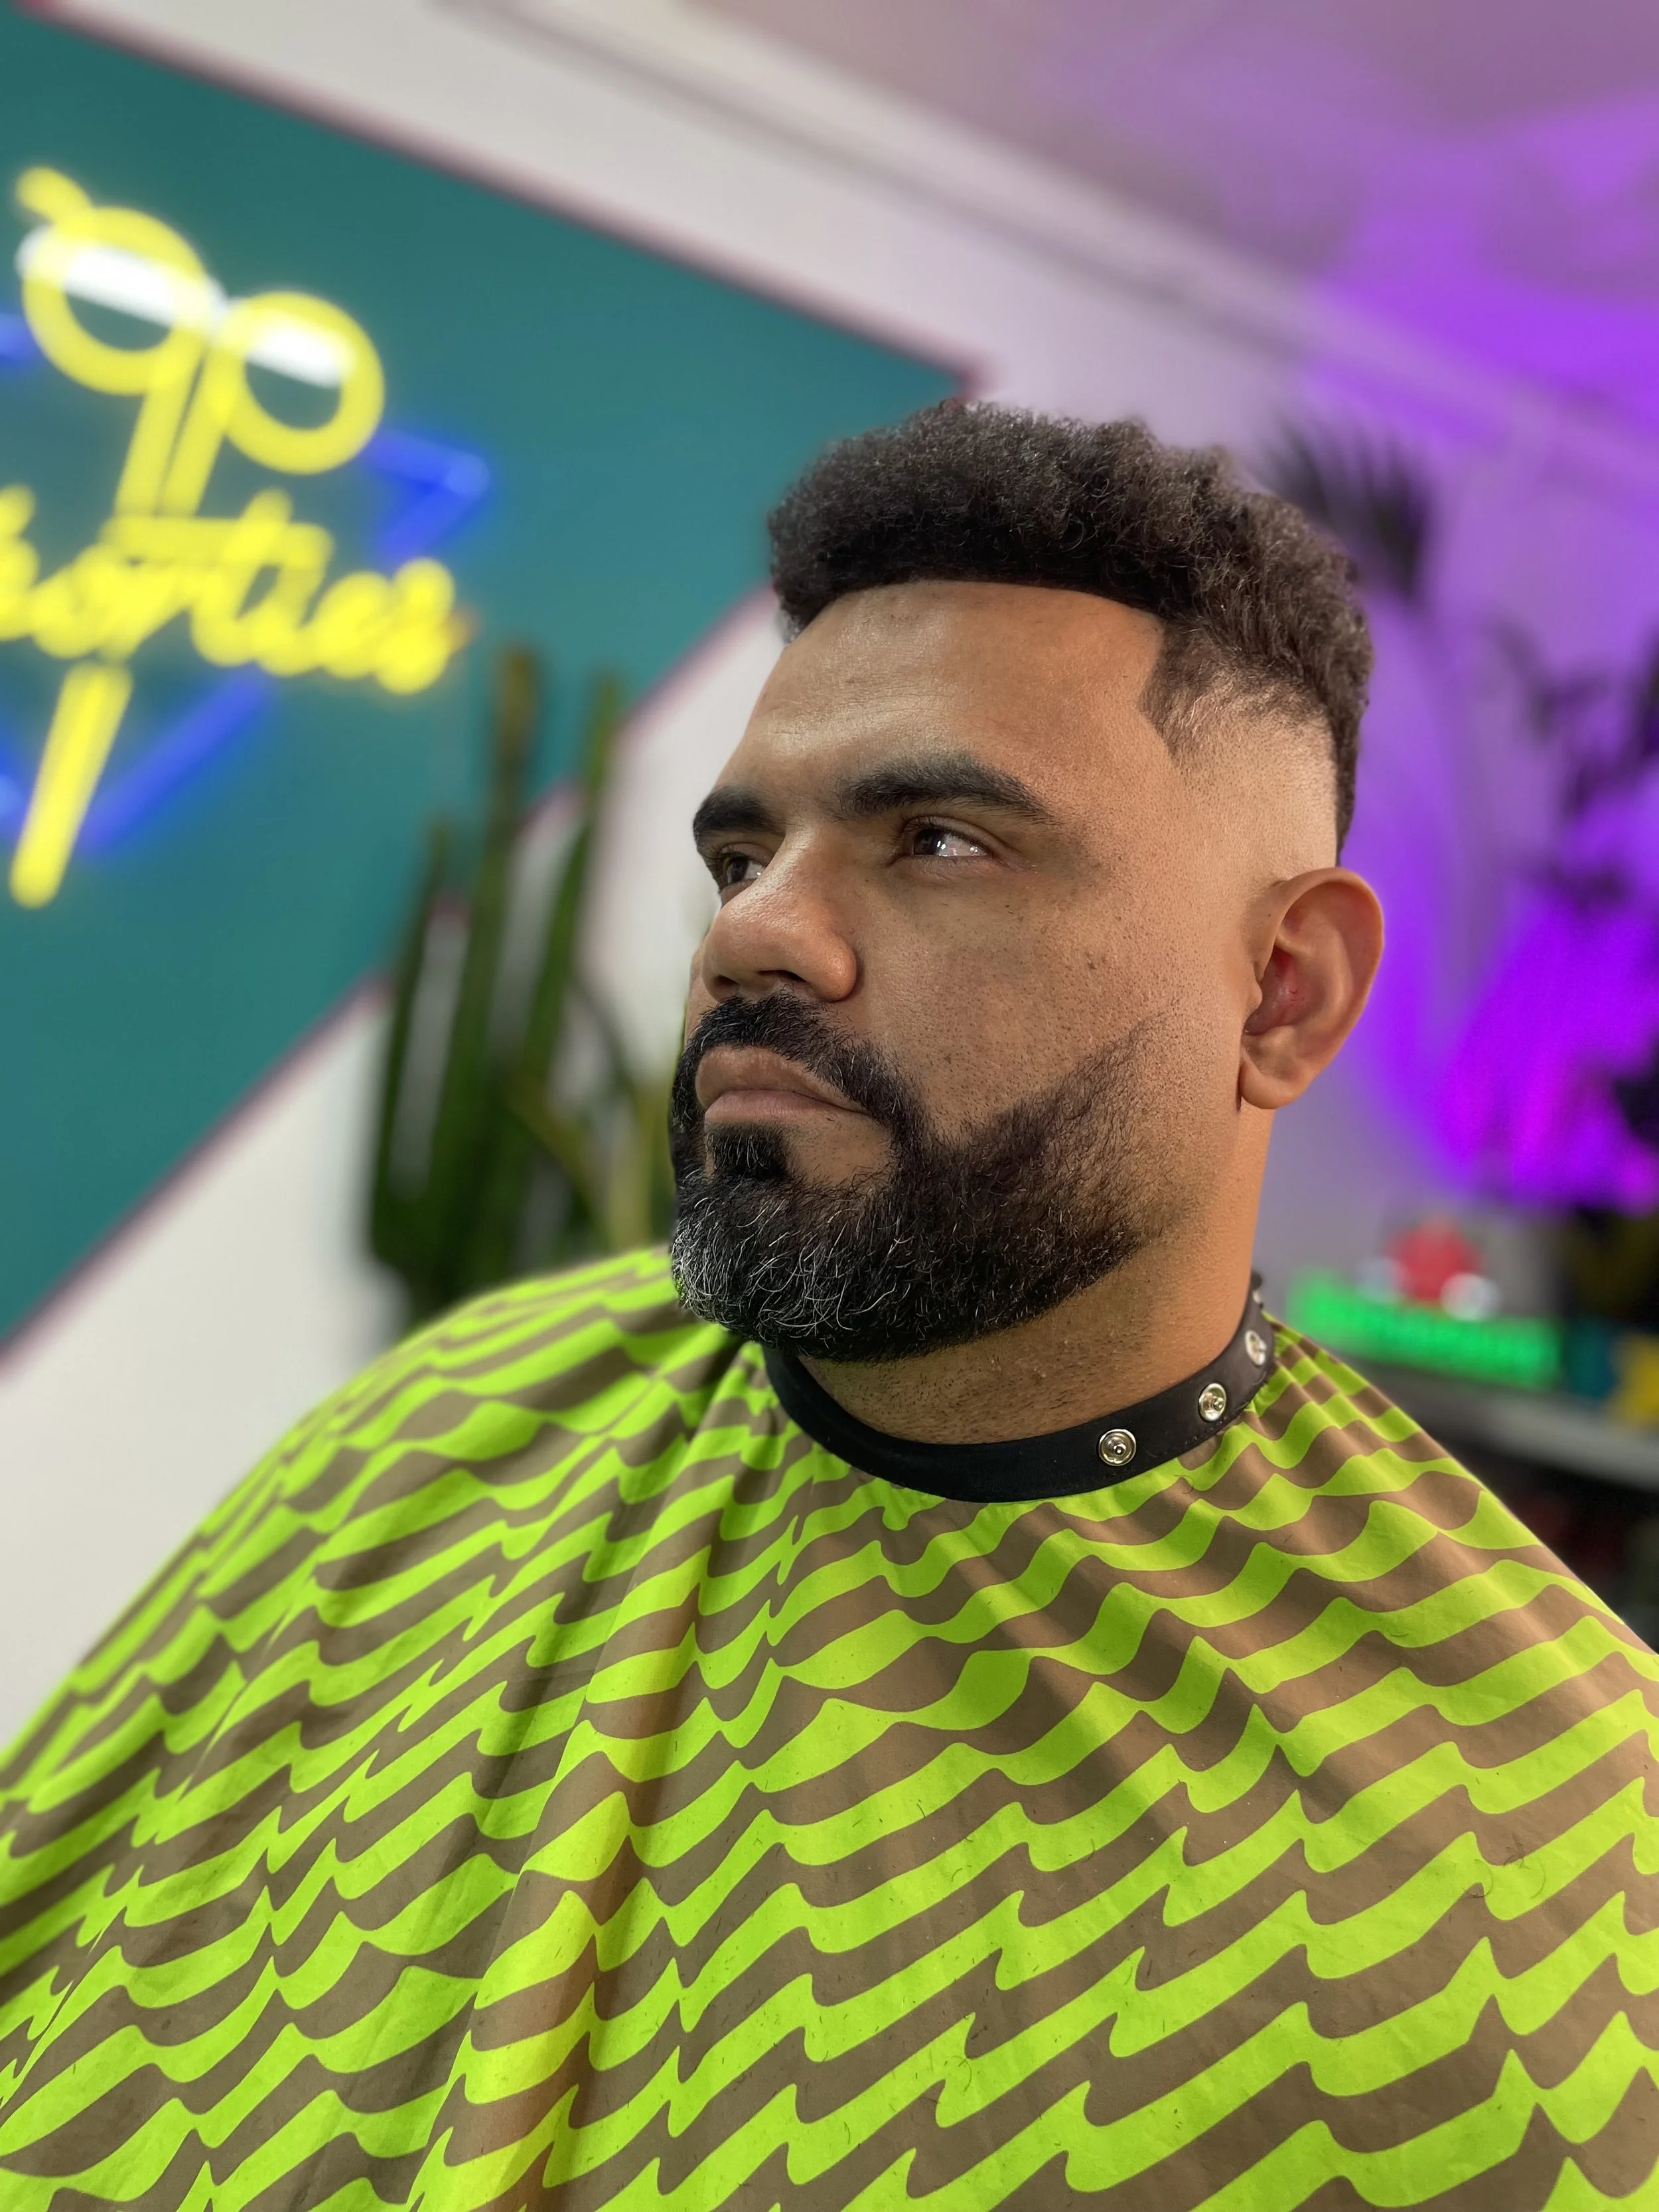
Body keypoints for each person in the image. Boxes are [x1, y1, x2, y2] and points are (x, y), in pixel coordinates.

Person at [1, 404, 1654, 2212]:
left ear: (1277, 992)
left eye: (938, 837)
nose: (751, 935)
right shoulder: (448, 1422)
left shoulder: (1550, 1872)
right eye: (739, 855)